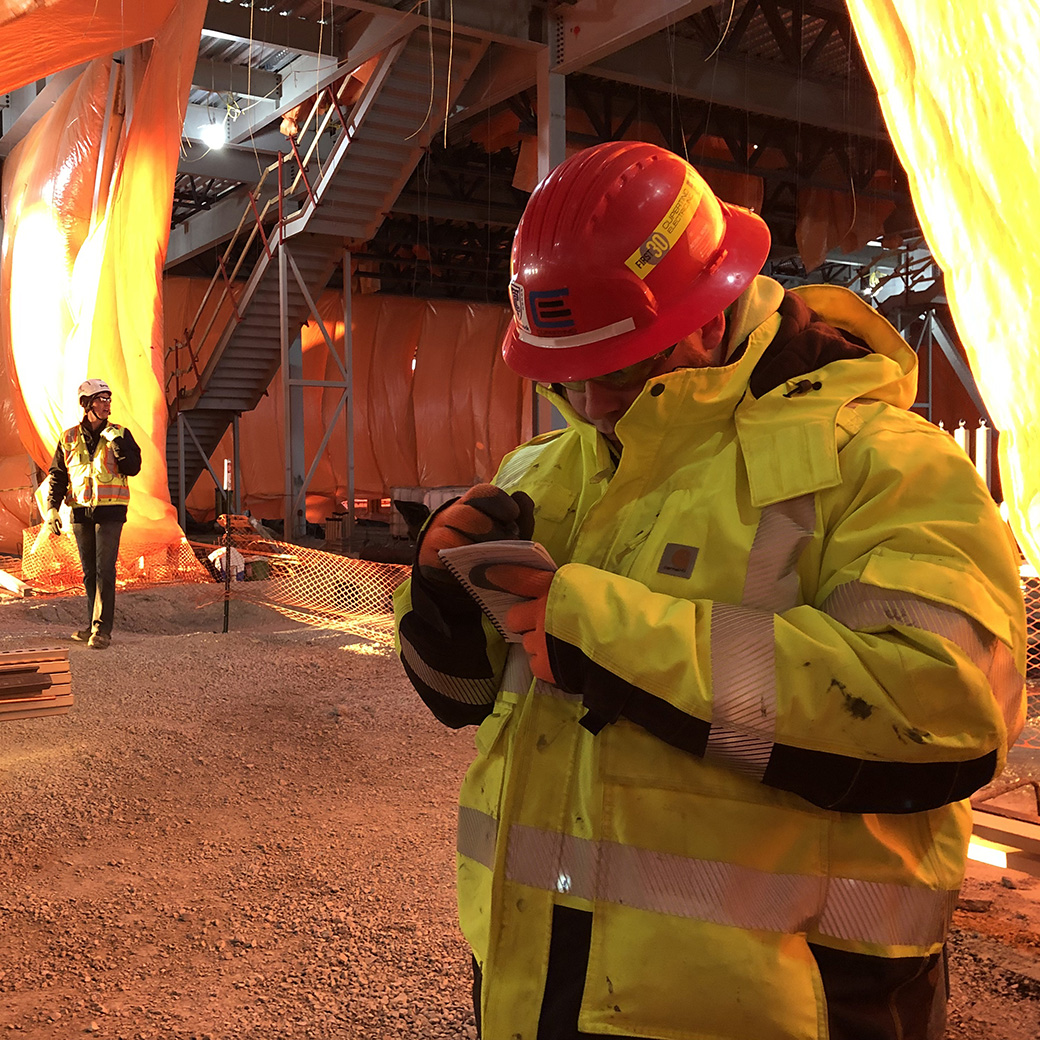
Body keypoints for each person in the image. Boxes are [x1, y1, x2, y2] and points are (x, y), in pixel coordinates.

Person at [393, 141, 1027, 1040]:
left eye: (613, 367)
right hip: (545, 990)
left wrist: (602, 632)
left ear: (704, 315)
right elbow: (468, 703)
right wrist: (443, 600)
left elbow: (943, 716)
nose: (590, 397)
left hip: (796, 1008)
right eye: (565, 371)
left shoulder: (880, 464)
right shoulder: (550, 467)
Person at [45, 378, 142, 650]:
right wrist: (52, 508)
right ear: (86, 404)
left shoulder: (120, 433)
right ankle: (91, 624)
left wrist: (117, 444)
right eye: (100, 399)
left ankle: (102, 630)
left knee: (104, 570)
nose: (107, 404)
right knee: (89, 572)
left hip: (111, 511)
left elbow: (133, 468)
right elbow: (58, 475)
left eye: (108, 399)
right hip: (80, 511)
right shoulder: (69, 438)